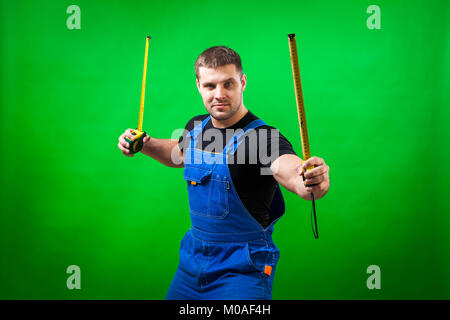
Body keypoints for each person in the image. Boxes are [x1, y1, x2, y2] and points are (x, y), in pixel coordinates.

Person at [117, 46, 330, 300]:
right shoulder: (196, 127)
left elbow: (292, 171)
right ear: (198, 85)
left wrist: (310, 179)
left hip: (242, 270)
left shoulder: (263, 139)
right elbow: (180, 154)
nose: (219, 95)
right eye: (210, 86)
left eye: (228, 84)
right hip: (191, 264)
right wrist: (145, 143)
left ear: (242, 82)